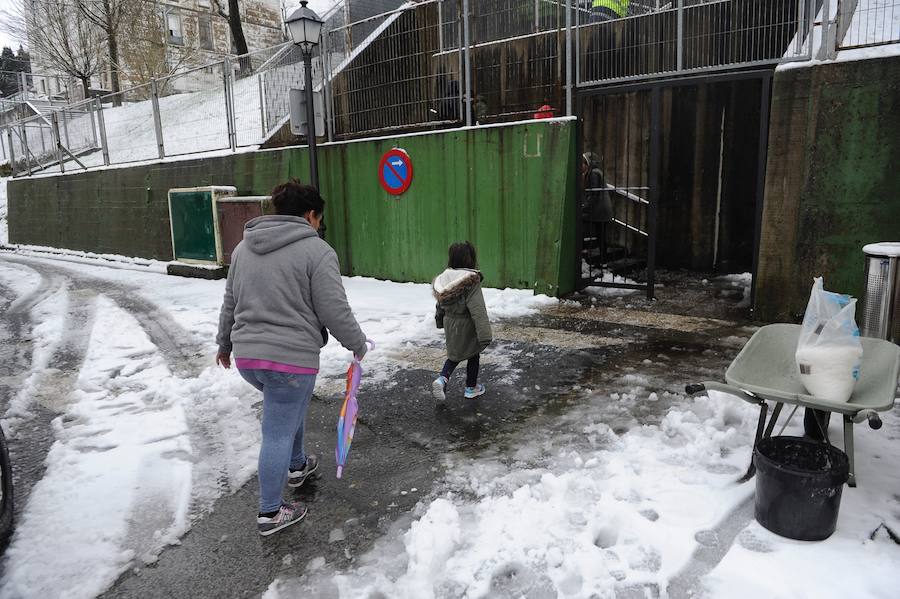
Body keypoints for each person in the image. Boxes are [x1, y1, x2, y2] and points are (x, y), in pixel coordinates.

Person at [215, 180, 368, 537]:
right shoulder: (317, 252)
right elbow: (333, 308)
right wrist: (357, 343)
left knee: (287, 410)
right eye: (319, 218)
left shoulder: (243, 249)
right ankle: (270, 512)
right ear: (310, 215)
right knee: (276, 431)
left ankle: (297, 466)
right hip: (290, 359)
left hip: (249, 358)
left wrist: (224, 343)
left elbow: (229, 302)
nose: (319, 225)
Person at [431, 242, 493, 401]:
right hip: (467, 324)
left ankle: (442, 379)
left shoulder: (443, 280)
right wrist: (485, 335)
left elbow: (440, 305)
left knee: (454, 355)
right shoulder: (471, 281)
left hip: (450, 323)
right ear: (470, 260)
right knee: (473, 354)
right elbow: (478, 309)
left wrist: (439, 321)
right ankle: (471, 388)